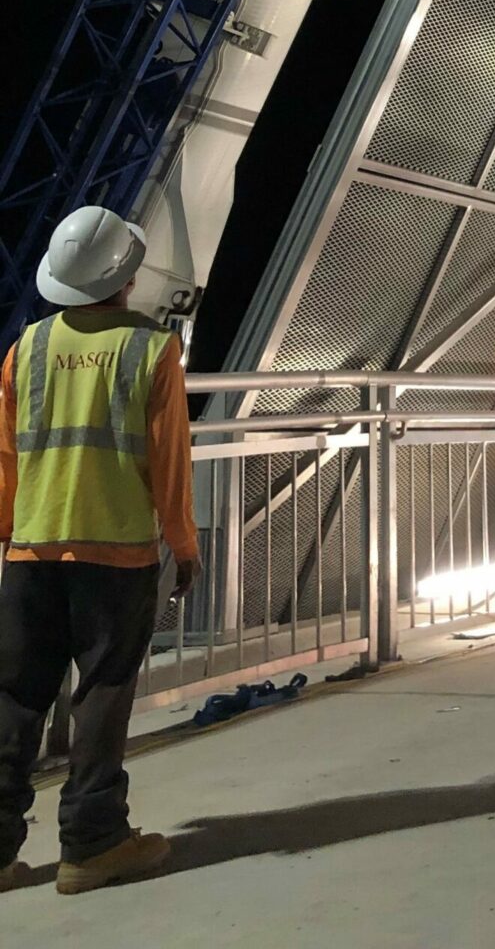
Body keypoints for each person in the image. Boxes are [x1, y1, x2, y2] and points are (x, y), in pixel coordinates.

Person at [0, 206, 199, 897]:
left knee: (16, 699)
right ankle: (94, 843)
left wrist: (8, 531)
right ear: (126, 275)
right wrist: (183, 542)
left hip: (31, 551)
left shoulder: (25, 348)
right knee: (103, 693)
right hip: (114, 555)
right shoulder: (151, 350)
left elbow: (5, 455)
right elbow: (169, 459)